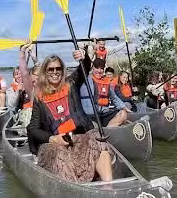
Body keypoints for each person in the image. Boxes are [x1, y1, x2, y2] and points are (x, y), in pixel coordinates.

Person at [27, 52, 114, 183]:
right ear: (45, 71)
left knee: (98, 139)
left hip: (77, 137)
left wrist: (83, 57)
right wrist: (53, 138)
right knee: (59, 154)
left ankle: (109, 186)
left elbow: (83, 68)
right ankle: (75, 190)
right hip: (54, 143)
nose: (55, 72)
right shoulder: (39, 97)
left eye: (58, 68)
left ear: (63, 71)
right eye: (51, 69)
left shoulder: (71, 84)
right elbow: (33, 128)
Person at [77, 57, 129, 127]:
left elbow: (114, 98)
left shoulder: (105, 82)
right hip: (91, 116)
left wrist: (125, 108)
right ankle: (102, 131)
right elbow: (81, 69)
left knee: (123, 114)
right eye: (97, 68)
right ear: (92, 68)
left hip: (104, 114)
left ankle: (107, 130)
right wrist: (83, 55)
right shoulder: (85, 79)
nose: (99, 70)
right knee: (94, 126)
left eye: (101, 68)